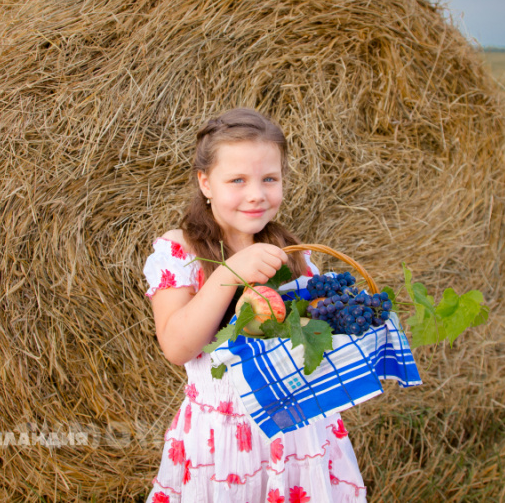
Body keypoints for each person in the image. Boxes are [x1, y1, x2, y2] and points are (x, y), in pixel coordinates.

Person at [143, 108, 367, 502]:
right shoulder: (181, 251)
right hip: (223, 440)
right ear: (205, 182)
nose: (256, 194)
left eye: (270, 179)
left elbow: (315, 339)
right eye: (237, 180)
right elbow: (177, 346)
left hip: (297, 431)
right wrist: (231, 272)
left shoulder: (294, 256)